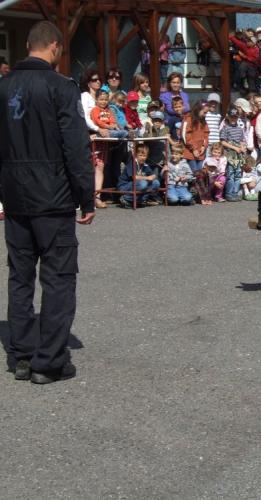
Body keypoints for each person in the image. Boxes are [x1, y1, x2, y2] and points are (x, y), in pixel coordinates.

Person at [0, 20, 94, 384]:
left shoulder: (4, 86)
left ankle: (21, 356)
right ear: (55, 46)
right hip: (53, 198)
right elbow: (75, 146)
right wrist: (85, 197)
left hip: (16, 197)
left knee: (20, 277)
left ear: (27, 44)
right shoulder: (60, 86)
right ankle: (49, 362)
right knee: (58, 278)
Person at [182, 99, 210, 171]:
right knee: (194, 174)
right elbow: (185, 135)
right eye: (204, 112)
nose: (205, 115)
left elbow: (206, 135)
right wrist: (193, 149)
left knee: (200, 174)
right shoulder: (188, 119)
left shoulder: (203, 121)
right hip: (190, 153)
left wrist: (204, 146)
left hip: (200, 153)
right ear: (198, 109)